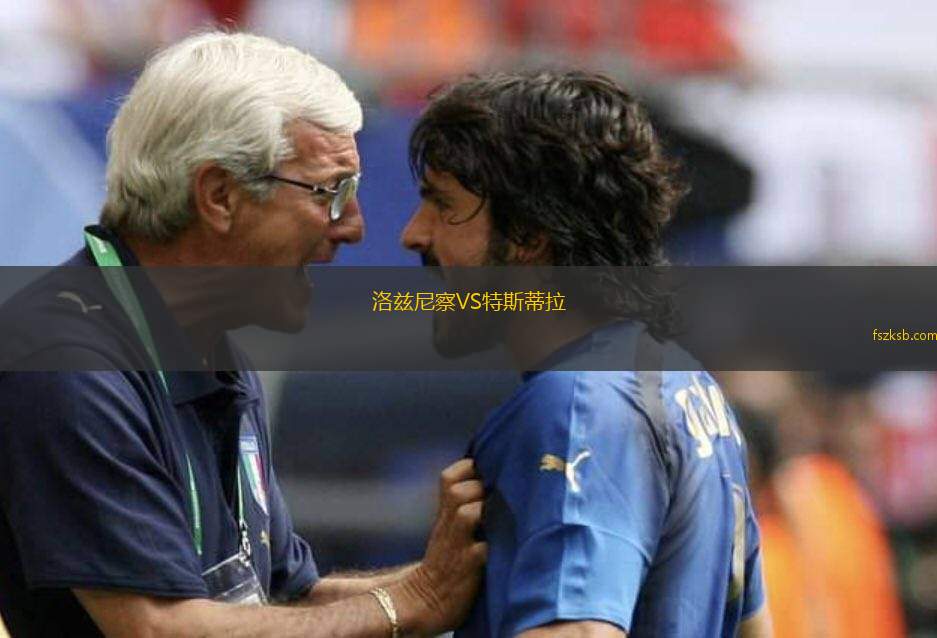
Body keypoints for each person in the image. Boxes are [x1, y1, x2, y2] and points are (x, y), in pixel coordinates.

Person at [0, 32, 486, 637]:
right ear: (220, 196)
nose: (356, 228)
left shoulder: (207, 346)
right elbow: (159, 628)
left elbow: (282, 599)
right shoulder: (65, 361)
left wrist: (469, 573)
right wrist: (413, 600)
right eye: (333, 193)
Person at [400, 71, 772, 637]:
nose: (413, 234)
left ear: (529, 234)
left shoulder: (576, 405)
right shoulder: (689, 384)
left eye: (442, 205)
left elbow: (579, 632)